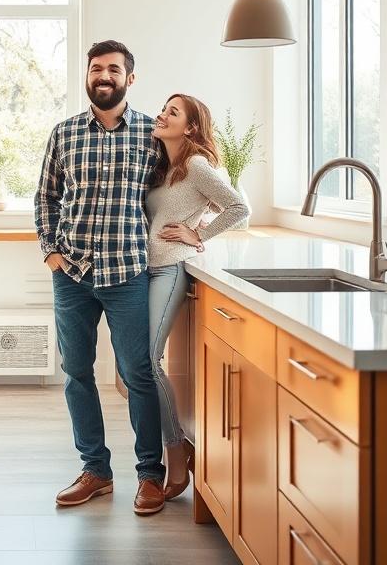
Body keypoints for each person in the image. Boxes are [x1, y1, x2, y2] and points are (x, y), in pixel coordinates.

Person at [35, 40, 167, 516]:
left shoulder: (154, 135)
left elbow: (180, 190)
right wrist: (51, 252)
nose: (104, 75)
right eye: (96, 69)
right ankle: (96, 470)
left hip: (129, 271)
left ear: (129, 78)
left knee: (138, 374)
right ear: (87, 76)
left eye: (114, 69)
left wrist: (190, 226)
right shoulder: (65, 133)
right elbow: (45, 197)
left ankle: (151, 475)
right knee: (76, 373)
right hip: (71, 274)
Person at [145, 94, 249, 499]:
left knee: (148, 361)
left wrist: (198, 233)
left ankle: (176, 456)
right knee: (136, 366)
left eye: (173, 112)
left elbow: (239, 207)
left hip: (170, 268)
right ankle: (178, 443)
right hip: (144, 269)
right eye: (163, 108)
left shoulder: (196, 164)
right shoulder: (161, 165)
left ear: (190, 127)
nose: (162, 114)